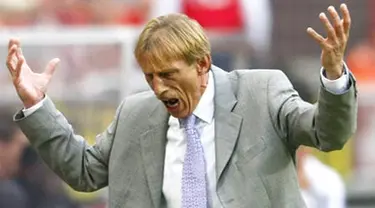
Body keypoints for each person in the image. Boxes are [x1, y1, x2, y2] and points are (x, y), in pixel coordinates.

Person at [6, 3, 357, 208]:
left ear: (202, 64)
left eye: (168, 75)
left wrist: (334, 75)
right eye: (150, 77)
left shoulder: (263, 91)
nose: (158, 87)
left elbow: (328, 132)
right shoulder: (135, 114)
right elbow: (84, 171)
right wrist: (38, 104)